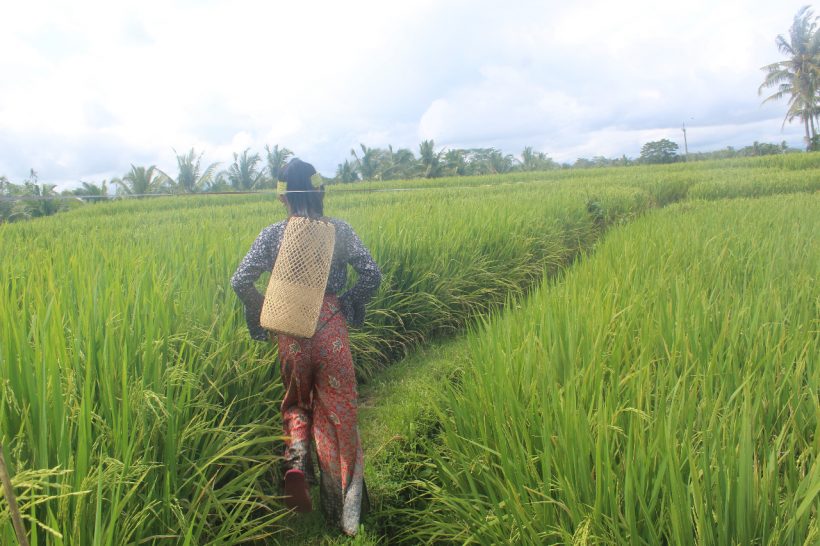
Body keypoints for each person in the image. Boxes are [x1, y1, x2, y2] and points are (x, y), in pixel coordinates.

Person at [230, 158, 382, 536]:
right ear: (319, 191)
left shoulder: (271, 236)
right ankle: (346, 511)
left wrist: (264, 310)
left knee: (297, 403)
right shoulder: (339, 231)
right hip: (330, 330)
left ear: (283, 198)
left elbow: (240, 280)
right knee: (339, 416)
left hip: (290, 331)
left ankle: (296, 458)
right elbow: (371, 275)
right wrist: (347, 303)